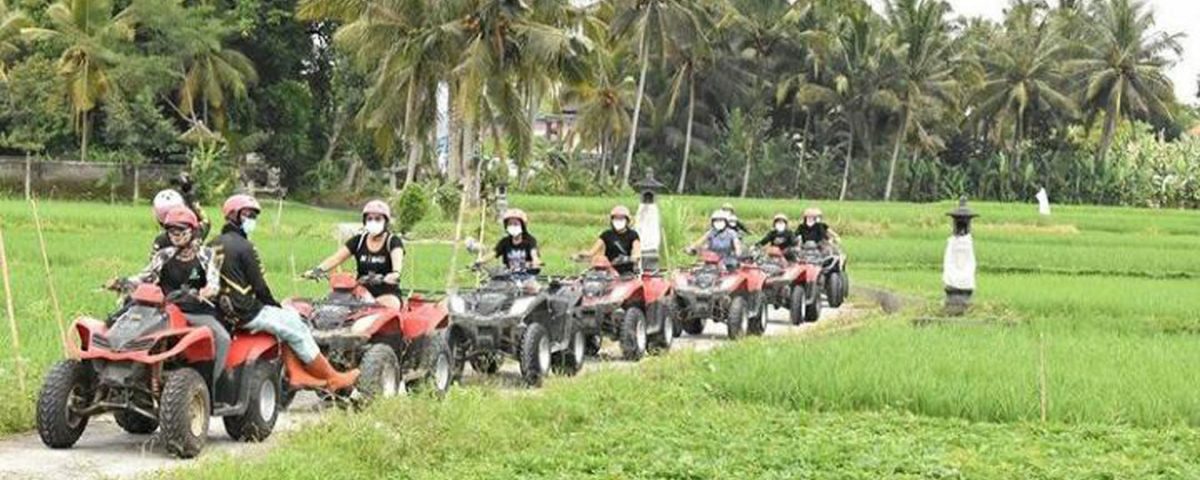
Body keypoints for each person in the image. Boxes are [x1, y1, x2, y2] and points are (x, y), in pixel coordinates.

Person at [212, 194, 358, 391]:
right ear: (233, 215)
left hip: (223, 311)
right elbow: (260, 287)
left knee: (288, 320)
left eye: (254, 216)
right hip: (246, 311)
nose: (252, 220)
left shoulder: (212, 243)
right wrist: (274, 306)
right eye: (247, 214)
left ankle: (296, 373)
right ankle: (332, 377)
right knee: (297, 326)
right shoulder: (244, 247)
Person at [113, 206, 230, 389]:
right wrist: (123, 282)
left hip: (195, 311)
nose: (175, 234)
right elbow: (145, 276)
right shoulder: (164, 255)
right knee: (123, 327)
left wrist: (204, 292)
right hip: (165, 310)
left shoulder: (207, 255)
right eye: (171, 230)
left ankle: (213, 386)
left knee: (223, 338)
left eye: (180, 229)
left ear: (192, 230)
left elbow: (214, 283)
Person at [304, 200, 405, 309]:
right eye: (369, 219)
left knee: (385, 308)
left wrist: (393, 275)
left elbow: (397, 269)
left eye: (378, 219)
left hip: (387, 293)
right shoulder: (358, 241)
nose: (373, 222)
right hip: (360, 292)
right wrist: (318, 270)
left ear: (385, 222)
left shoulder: (393, 241)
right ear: (365, 221)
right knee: (332, 306)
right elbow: (336, 258)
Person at [576, 205, 641, 275]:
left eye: (621, 218)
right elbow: (591, 252)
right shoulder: (606, 234)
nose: (618, 221)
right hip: (608, 271)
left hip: (627, 273)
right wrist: (581, 255)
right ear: (611, 221)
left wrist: (627, 259)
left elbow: (637, 254)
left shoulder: (633, 235)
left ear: (627, 221)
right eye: (616, 219)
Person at [476, 209, 542, 276]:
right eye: (510, 224)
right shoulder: (505, 242)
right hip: (508, 276)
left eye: (515, 224)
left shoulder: (530, 240)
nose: (513, 226)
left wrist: (535, 262)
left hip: (527, 276)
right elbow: (493, 253)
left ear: (522, 226)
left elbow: (534, 254)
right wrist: (480, 261)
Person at [151, 184, 211, 255]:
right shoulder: (195, 232)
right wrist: (193, 203)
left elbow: (154, 260)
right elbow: (206, 221)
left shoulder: (161, 240)